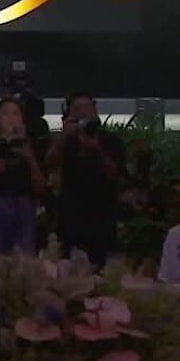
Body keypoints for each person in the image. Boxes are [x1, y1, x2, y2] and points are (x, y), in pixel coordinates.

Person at [47, 92, 128, 267]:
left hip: (102, 219)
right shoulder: (65, 141)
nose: (83, 112)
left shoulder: (111, 140)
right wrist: (64, 137)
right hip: (70, 220)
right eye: (77, 109)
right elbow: (50, 166)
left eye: (88, 108)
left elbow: (115, 173)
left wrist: (97, 150)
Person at [0, 97, 46, 255]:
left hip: (24, 207)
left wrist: (30, 159)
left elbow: (41, 186)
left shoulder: (32, 146)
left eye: (16, 114)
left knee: (24, 259)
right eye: (5, 113)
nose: (11, 118)